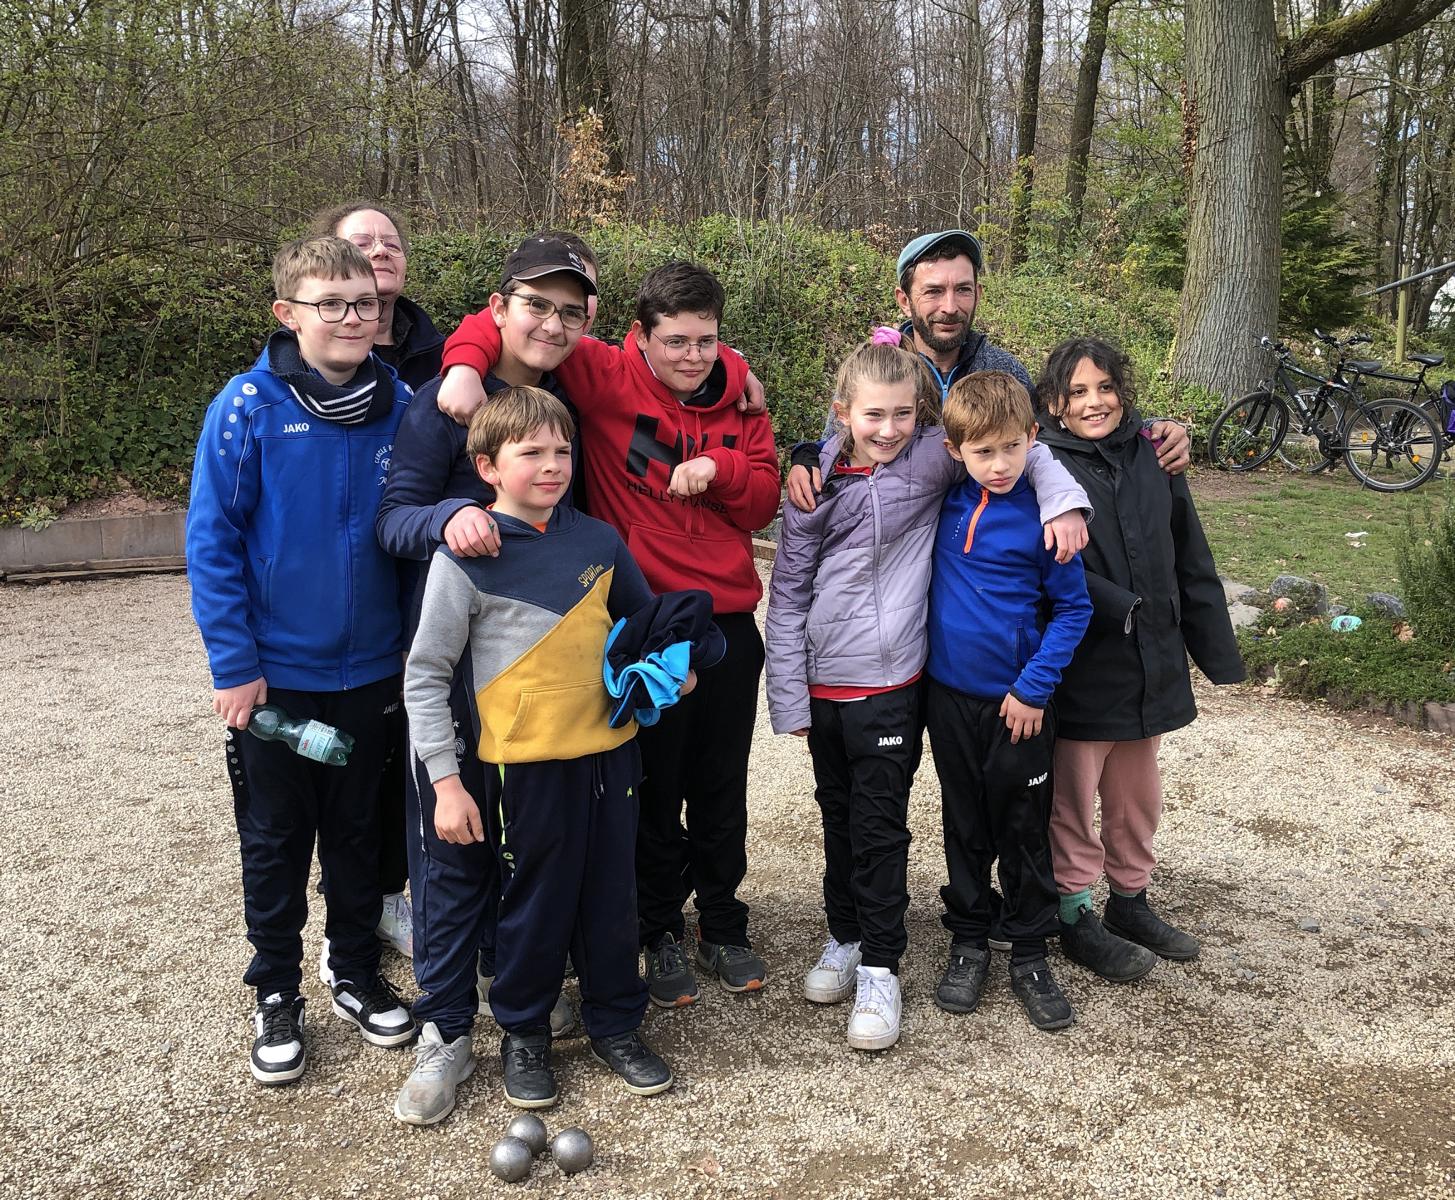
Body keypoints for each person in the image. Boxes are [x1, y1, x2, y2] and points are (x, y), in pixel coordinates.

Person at [435, 261, 780, 1008]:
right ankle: (657, 927)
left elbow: (761, 502)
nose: (693, 357)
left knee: (722, 784)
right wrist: (461, 367)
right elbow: (508, 326)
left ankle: (722, 921)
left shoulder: (741, 402)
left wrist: (719, 463)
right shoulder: (604, 375)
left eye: (708, 342)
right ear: (638, 337)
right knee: (651, 787)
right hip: (638, 618)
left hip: (724, 618)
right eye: (675, 341)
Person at [764, 337, 1089, 1051]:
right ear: (842, 413)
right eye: (872, 415)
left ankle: (892, 964)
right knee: (849, 818)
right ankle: (856, 936)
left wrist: (1066, 501)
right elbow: (785, 596)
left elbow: (1014, 443)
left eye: (903, 414)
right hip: (837, 682)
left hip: (902, 682)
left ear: (923, 417)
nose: (888, 430)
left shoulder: (933, 462)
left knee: (899, 825)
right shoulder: (817, 486)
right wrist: (787, 696)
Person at [401, 385, 686, 1117]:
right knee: (533, 904)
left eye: (562, 450)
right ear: (488, 467)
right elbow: (426, 675)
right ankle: (524, 1032)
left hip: (611, 758)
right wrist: (446, 783)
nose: (553, 465)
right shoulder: (464, 559)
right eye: (531, 453)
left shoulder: (599, 541)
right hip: (521, 771)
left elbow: (644, 625)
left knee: (611, 897)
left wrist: (674, 666)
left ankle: (615, 1023)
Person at [186, 235, 417, 1085]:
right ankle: (276, 990)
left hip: (374, 673)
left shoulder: (402, 404)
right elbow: (212, 542)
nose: (352, 318)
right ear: (288, 313)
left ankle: (353, 971)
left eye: (365, 303)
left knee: (359, 837)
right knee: (277, 841)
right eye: (331, 304)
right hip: (277, 679)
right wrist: (233, 665)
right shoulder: (247, 406)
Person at [378, 236, 598, 1108]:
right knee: (448, 850)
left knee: (528, 847)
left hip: (538, 671)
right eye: (536, 304)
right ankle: (444, 1027)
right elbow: (392, 518)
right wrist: (447, 518)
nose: (551, 323)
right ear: (499, 307)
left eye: (570, 311)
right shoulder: (443, 403)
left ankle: (521, 998)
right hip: (456, 672)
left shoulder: (565, 400)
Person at [1034, 338, 1245, 976]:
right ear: (1055, 403)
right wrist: (1115, 605)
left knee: (1136, 795)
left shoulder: (1155, 456)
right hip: (1084, 664)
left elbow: (1191, 555)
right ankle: (1074, 910)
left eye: (1105, 387)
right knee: (1073, 797)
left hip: (1151, 657)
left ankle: (1130, 898)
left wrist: (1216, 653)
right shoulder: (1041, 463)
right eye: (1077, 392)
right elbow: (1034, 557)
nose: (1094, 402)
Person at [784, 229, 1192, 511]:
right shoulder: (878, 371)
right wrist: (804, 457)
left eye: (962, 290)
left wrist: (1151, 429)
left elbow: (1061, 424)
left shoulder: (1003, 369)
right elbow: (838, 443)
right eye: (933, 291)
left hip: (980, 547)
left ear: (978, 293)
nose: (949, 306)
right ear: (904, 300)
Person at [923, 371, 1092, 1032]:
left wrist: (1032, 687)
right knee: (964, 825)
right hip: (949, 699)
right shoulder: (944, 501)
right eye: (982, 452)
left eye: (1011, 448)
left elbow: (1073, 611)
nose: (999, 465)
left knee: (1023, 829)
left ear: (1032, 439)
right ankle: (969, 940)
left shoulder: (1048, 519)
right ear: (955, 451)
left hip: (1019, 705)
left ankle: (1029, 952)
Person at [309, 201, 443, 964]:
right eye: (362, 241)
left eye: (390, 241)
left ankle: (413, 890)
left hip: (426, 585)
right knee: (353, 771)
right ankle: (362, 906)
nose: (380, 250)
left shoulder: (445, 354)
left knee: (420, 752)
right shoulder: (302, 366)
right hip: (344, 604)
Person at [313, 201, 446, 391]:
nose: (381, 251)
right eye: (361, 244)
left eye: (392, 245)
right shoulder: (302, 356)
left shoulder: (439, 355)